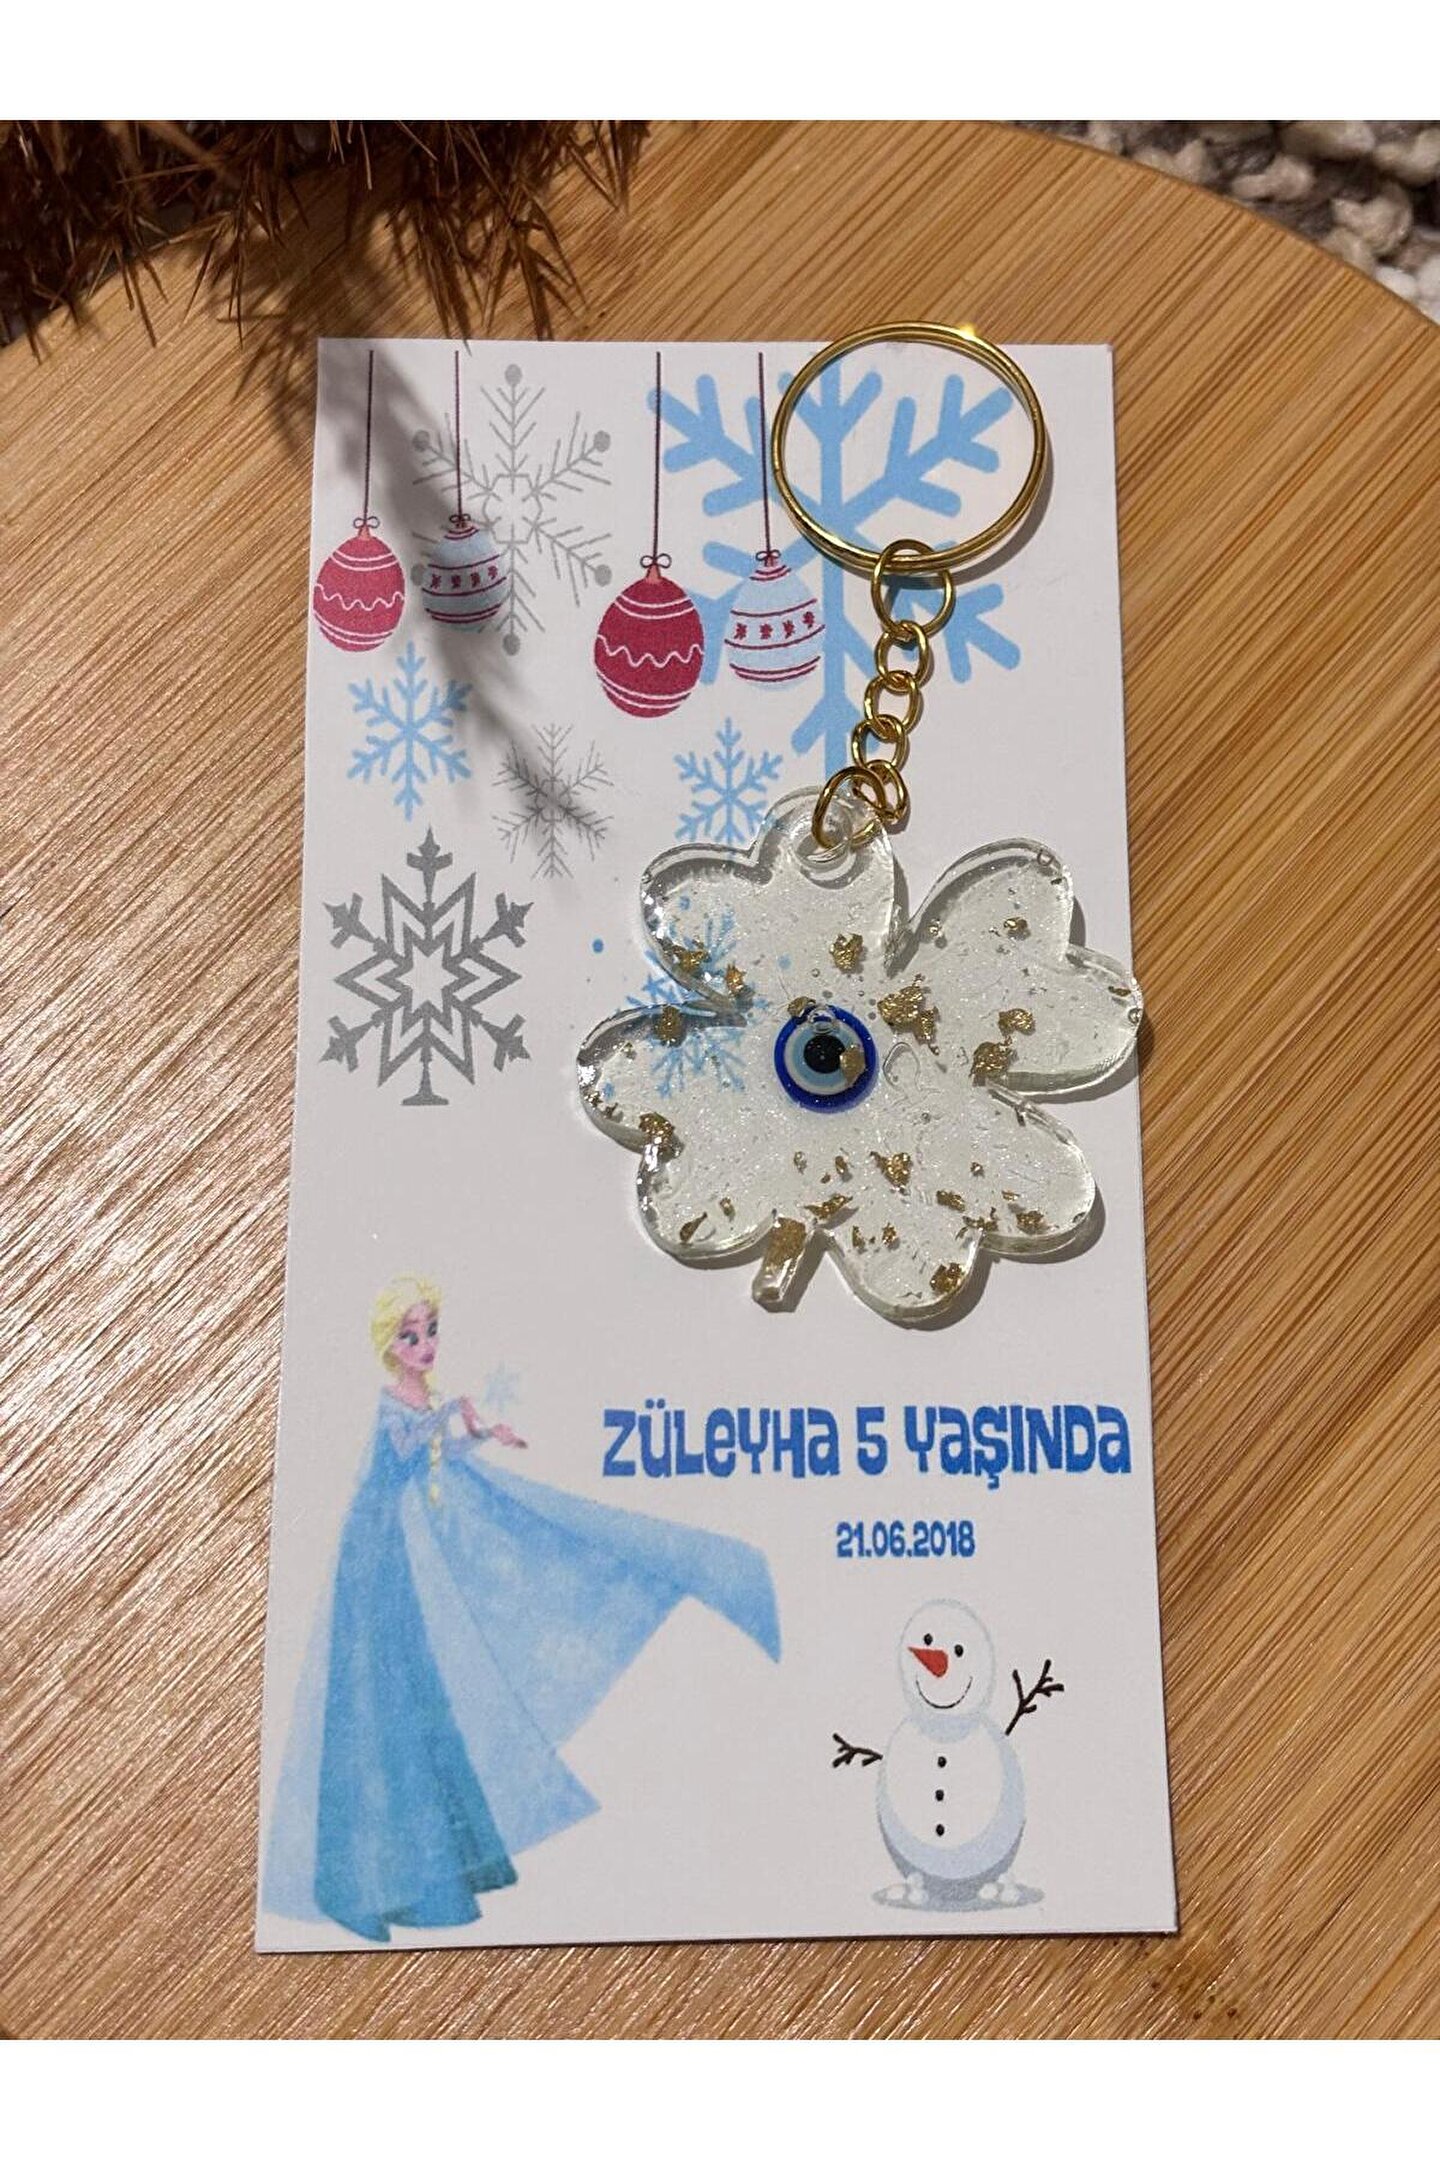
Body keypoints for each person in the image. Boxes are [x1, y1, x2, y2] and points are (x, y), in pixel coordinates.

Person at [263, 1275, 779, 1942]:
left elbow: (434, 1455)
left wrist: (479, 1434)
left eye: (430, 1331)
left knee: (415, 1693)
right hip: (377, 1556)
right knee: (377, 1695)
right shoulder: (395, 1403)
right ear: (389, 1344)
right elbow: (403, 1451)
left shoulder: (425, 1402)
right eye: (411, 1335)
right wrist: (452, 1416)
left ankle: (432, 1863)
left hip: (399, 1553)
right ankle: (369, 1878)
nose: (425, 1344)